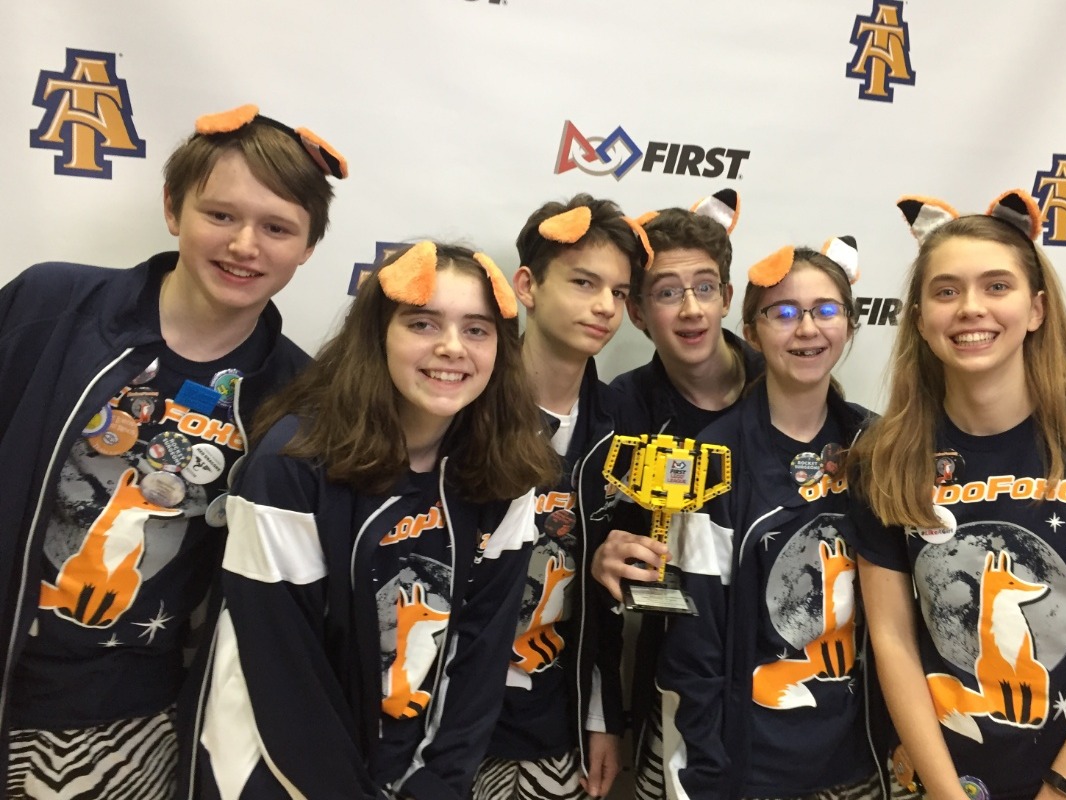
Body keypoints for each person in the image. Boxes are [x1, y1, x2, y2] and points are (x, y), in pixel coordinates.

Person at [0, 103, 344, 799]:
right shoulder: (50, 303)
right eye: (220, 215)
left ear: (308, 246)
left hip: (124, 719)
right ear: (171, 207)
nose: (244, 245)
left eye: (277, 228)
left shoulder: (299, 397)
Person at [846, 190, 1066, 800]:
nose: (971, 308)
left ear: (1036, 309)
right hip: (942, 784)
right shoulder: (886, 459)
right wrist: (945, 792)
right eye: (947, 291)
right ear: (922, 319)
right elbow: (893, 642)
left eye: (996, 286)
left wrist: (1060, 793)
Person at [197, 241, 560, 798]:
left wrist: (437, 784)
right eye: (422, 324)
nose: (452, 347)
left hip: (410, 771)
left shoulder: (505, 469)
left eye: (477, 329)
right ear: (377, 335)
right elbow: (283, 669)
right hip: (282, 769)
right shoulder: (290, 465)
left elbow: (480, 656)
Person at [657, 241, 899, 799]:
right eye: (784, 312)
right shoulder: (713, 457)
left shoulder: (879, 447)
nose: (807, 328)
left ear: (850, 325)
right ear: (751, 331)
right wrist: (704, 775)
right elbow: (694, 641)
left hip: (861, 759)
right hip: (751, 764)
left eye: (826, 310)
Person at [588, 190, 764, 799]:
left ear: (728, 297)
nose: (691, 310)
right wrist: (599, 557)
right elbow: (588, 559)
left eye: (705, 288)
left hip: (789, 679)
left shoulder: (786, 388)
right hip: (676, 679)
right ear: (637, 312)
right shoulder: (618, 409)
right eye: (667, 293)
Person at [472, 195, 649, 799]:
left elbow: (606, 601)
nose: (604, 307)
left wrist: (602, 715)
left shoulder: (621, 424)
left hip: (555, 720)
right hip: (442, 714)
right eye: (583, 283)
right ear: (526, 285)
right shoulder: (462, 404)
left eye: (619, 292)